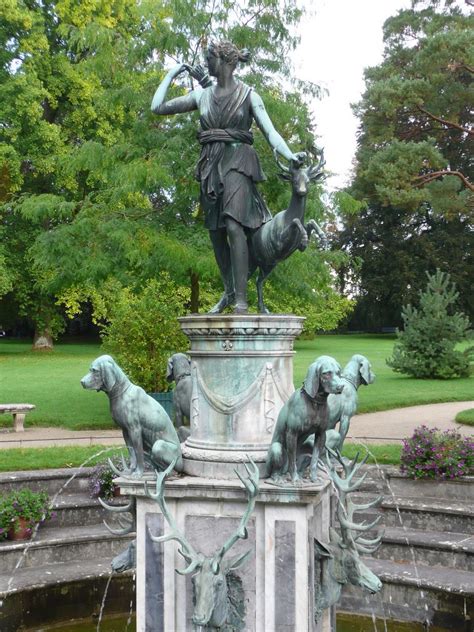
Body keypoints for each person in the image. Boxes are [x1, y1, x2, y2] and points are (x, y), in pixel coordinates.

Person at [151, 40, 302, 313]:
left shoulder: (249, 95)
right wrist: (171, 74)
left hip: (239, 161)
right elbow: (157, 107)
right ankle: (229, 292)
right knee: (217, 232)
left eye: (210, 58)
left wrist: (290, 155)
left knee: (234, 225)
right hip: (210, 165)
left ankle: (242, 302)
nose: (205, 63)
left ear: (224, 61)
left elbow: (271, 133)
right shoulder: (202, 96)